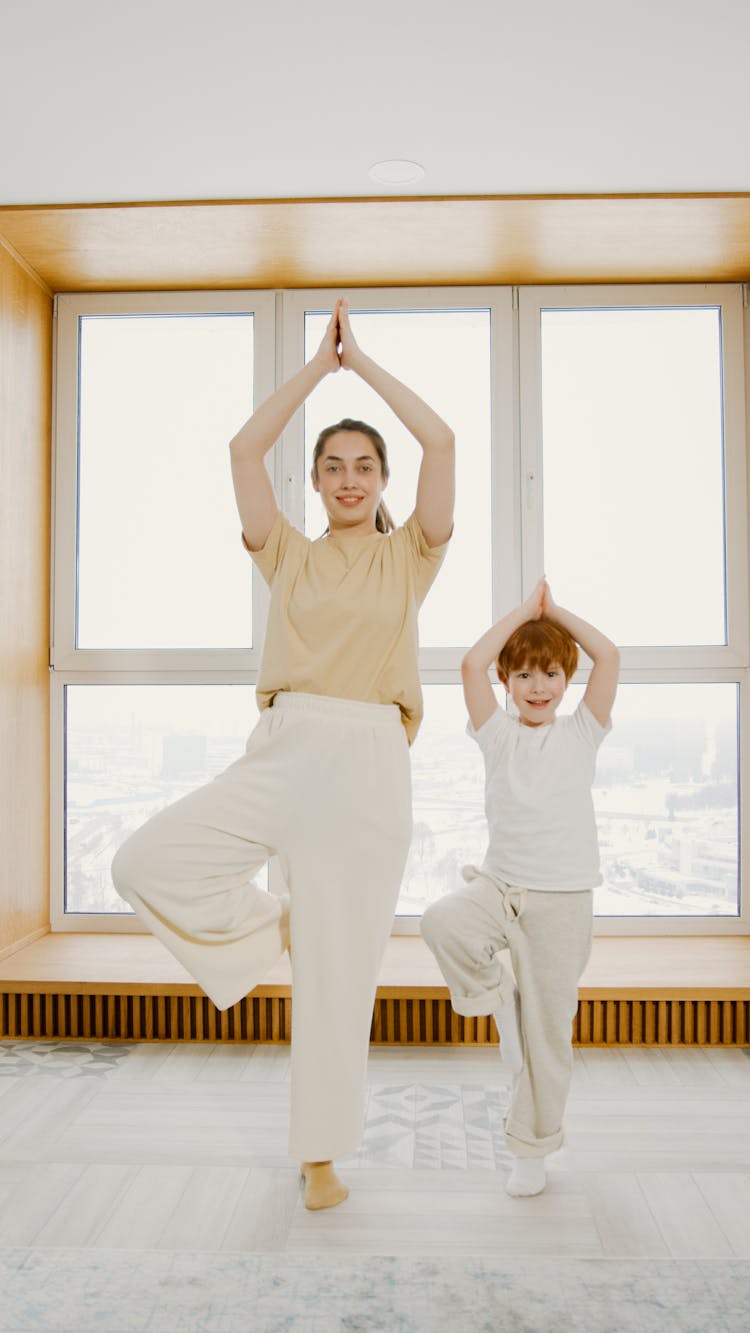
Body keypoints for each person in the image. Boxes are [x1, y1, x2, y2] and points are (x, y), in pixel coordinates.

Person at [111, 298, 454, 1210]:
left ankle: (321, 1159)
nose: (349, 479)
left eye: (365, 466)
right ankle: (275, 930)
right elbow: (238, 451)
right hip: (288, 746)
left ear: (383, 481)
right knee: (144, 860)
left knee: (342, 985)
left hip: (374, 761)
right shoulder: (288, 555)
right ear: (314, 480)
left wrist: (366, 365)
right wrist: (317, 369)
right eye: (333, 466)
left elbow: (446, 441)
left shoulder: (410, 558)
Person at [421, 577, 619, 1196]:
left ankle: (530, 1149)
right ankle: (494, 999)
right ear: (508, 683)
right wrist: (521, 616)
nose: (539, 687)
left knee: (549, 1037)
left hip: (561, 904)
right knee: (441, 921)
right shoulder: (497, 734)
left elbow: (609, 657)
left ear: (567, 681)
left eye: (552, 674)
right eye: (525, 676)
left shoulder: (582, 731)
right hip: (501, 888)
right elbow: (470, 663)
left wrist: (555, 612)